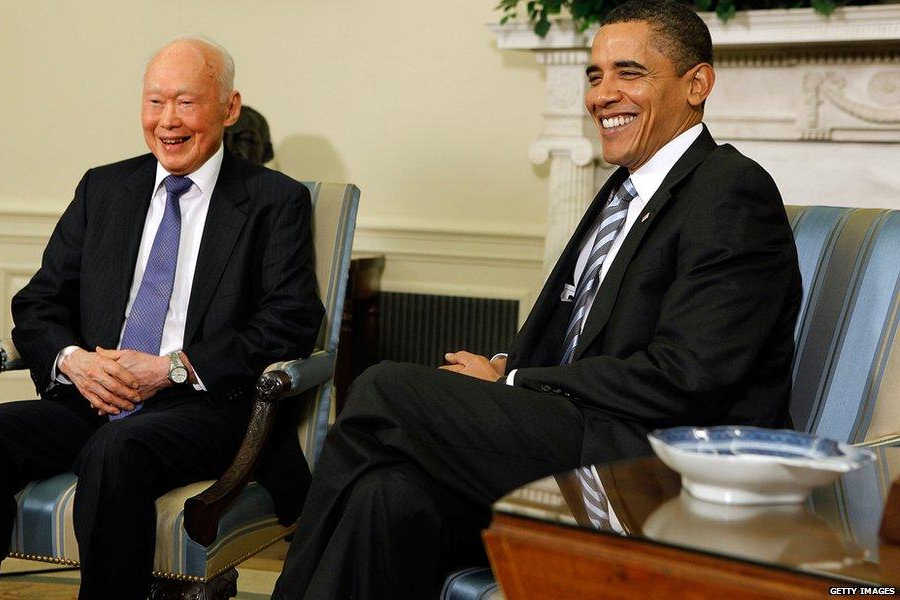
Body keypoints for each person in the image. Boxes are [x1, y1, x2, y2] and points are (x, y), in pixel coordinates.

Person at [272, 1, 802, 598]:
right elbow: (574, 333)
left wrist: (515, 384)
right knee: (386, 495)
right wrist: (507, 369)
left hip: (659, 469)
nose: (602, 95)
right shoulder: (623, 192)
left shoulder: (730, 191)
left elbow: (689, 376)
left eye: (629, 73)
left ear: (696, 84)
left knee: (380, 389)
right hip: (587, 436)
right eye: (594, 75)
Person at [0, 36, 324, 599]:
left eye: (186, 102)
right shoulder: (105, 188)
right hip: (94, 395)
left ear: (229, 108)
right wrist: (76, 363)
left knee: (115, 452)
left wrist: (172, 369)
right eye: (155, 102)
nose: (168, 121)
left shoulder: (272, 200)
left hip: (203, 406)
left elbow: (289, 321)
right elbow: (39, 302)